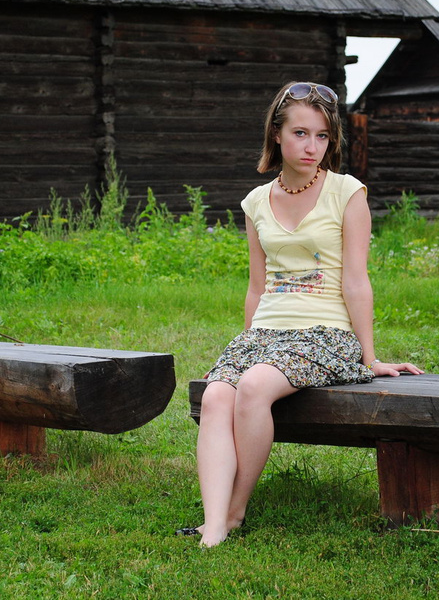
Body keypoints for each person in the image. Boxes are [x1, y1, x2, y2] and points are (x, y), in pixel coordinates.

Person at [178, 81, 424, 548]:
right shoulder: (256, 201)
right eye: (300, 134)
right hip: (266, 332)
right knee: (216, 396)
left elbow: (356, 281)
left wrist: (369, 357)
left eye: (322, 136)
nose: (313, 147)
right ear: (276, 134)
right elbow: (257, 286)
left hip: (325, 332)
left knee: (254, 386)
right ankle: (213, 523)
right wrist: (244, 347)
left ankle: (234, 513)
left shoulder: (346, 192)